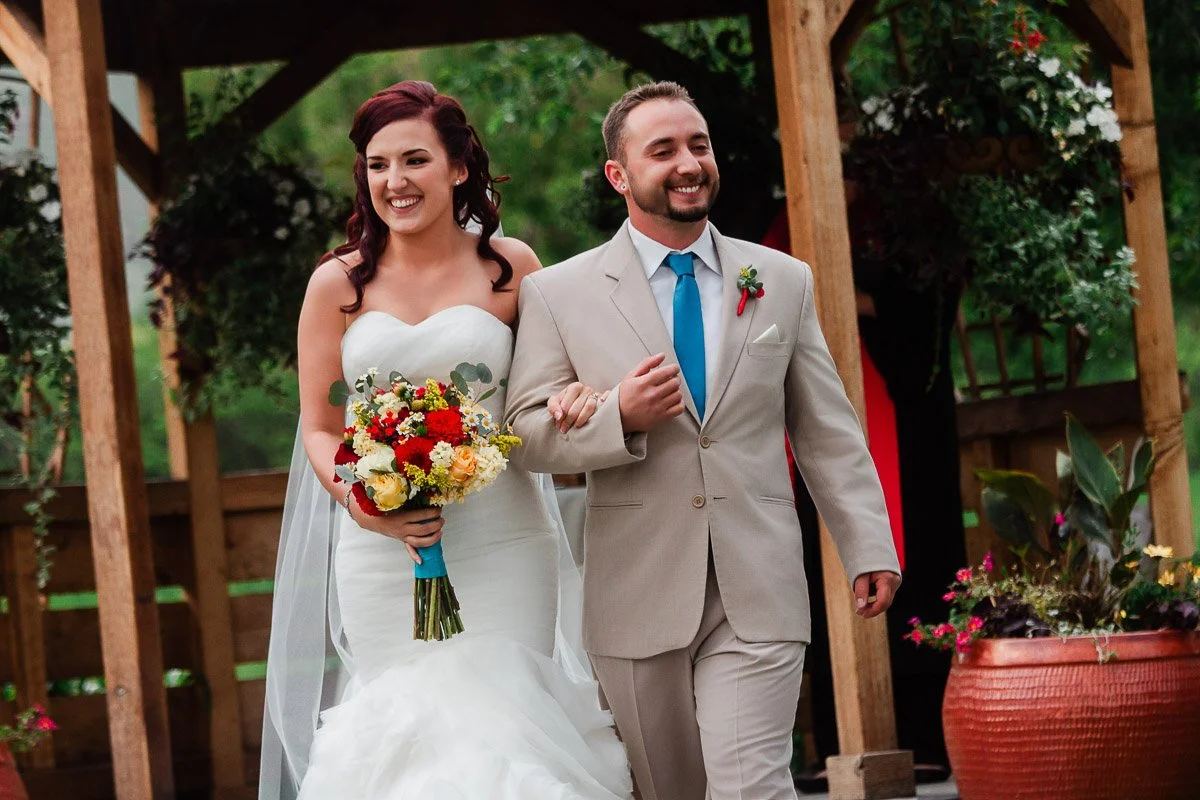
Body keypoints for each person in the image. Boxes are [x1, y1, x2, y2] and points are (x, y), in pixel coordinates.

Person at [504, 81, 903, 800]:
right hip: (634, 593)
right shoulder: (558, 295)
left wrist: (868, 543)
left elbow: (827, 429)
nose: (689, 163)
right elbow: (526, 436)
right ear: (619, 176)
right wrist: (617, 416)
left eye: (698, 145)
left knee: (753, 786)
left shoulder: (780, 280)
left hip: (760, 585)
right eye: (663, 151)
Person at [258, 80, 633, 800]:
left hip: (503, 543)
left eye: (414, 160)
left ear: (458, 167)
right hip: (378, 550)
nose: (393, 181)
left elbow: (556, 380)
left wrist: (575, 396)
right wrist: (363, 505)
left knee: (505, 725)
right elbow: (320, 424)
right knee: (404, 736)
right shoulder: (335, 285)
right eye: (376, 165)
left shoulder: (512, 266)